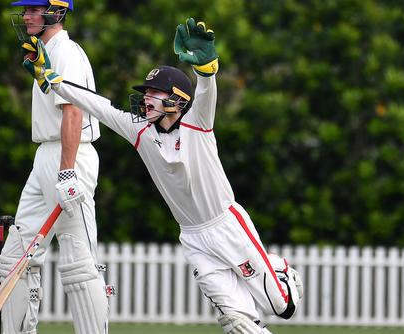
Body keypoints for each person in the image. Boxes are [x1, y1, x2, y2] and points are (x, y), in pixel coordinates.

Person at [26, 17, 304, 333]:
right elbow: (98, 105)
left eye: (154, 93)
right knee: (237, 323)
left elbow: (205, 91)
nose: (145, 98)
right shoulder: (140, 131)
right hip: (193, 238)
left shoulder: (196, 122)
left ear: (176, 100)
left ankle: (281, 270)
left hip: (227, 226)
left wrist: (206, 68)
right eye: (145, 93)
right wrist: (51, 80)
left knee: (283, 307)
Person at [0, 0, 109, 334]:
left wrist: (66, 172)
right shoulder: (45, 54)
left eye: (33, 9)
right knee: (17, 255)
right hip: (47, 156)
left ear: (55, 12)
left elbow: (73, 113)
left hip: (70, 157)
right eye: (25, 10)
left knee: (79, 261)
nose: (27, 16)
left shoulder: (66, 51)